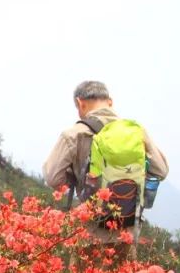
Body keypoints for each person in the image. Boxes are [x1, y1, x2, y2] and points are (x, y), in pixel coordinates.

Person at [42, 80, 168, 210]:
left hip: (92, 222)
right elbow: (161, 171)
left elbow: (52, 178)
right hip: (128, 221)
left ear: (80, 103)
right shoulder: (136, 131)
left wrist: (77, 177)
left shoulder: (74, 134)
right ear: (110, 102)